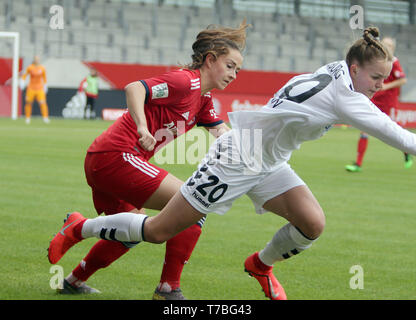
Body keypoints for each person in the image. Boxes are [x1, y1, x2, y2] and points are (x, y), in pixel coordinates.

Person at [48, 27, 416, 300]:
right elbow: (394, 133)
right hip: (228, 159)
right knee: (161, 229)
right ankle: (84, 228)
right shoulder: (346, 96)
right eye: (376, 78)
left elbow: (220, 125)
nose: (379, 86)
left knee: (312, 223)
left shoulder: (336, 69)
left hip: (267, 160)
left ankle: (259, 265)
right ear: (353, 69)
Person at [48, 21, 248, 300]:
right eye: (230, 66)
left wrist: (250, 154)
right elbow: (135, 88)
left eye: (237, 69)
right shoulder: (184, 81)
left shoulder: (203, 99)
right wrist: (142, 127)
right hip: (116, 156)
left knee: (130, 230)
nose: (234, 74)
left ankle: (73, 280)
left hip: (106, 160)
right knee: (193, 204)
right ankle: (168, 289)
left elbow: (221, 133)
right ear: (210, 59)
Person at [345, 36, 410, 172]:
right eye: (383, 44)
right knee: (364, 129)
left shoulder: (394, 62)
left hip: (389, 102)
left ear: (392, 48)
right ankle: (358, 163)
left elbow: (402, 80)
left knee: (394, 130)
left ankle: (407, 151)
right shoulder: (376, 61)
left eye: (388, 45)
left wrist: (387, 86)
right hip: (375, 99)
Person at [20, 55, 50, 124]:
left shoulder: (42, 68)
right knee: (28, 102)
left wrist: (45, 86)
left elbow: (44, 78)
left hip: (39, 88)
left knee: (43, 103)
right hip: (31, 88)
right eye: (36, 59)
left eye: (38, 59)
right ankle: (27, 118)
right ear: (34, 60)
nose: (37, 60)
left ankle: (45, 117)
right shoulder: (30, 67)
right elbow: (25, 75)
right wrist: (22, 81)